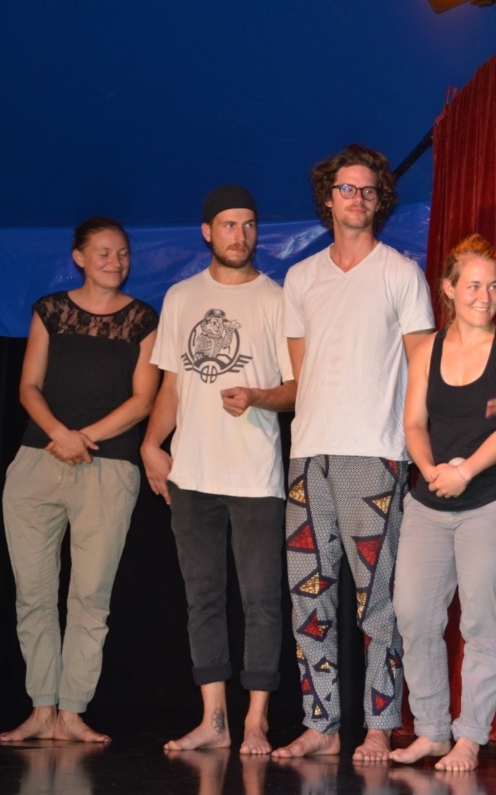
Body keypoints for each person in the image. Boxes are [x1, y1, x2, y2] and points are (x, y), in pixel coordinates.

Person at [271, 144, 435, 762]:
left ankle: (379, 724)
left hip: (375, 454)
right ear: (328, 198)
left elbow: (424, 367)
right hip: (309, 456)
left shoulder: (400, 273)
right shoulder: (301, 277)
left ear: (379, 200)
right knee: (308, 596)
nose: (357, 199)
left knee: (378, 599)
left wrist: (417, 447)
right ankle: (321, 723)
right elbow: (302, 372)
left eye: (368, 190)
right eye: (347, 189)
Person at [140, 184, 296, 754]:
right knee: (202, 597)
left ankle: (256, 719)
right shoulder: (181, 296)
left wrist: (257, 396)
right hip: (193, 475)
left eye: (249, 225)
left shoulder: (277, 299)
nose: (240, 235)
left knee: (261, 599)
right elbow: (171, 385)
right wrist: (151, 444)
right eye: (229, 225)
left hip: (255, 475)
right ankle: (214, 720)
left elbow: (296, 388)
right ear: (207, 232)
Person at [0, 217, 159, 743]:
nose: (116, 262)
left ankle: (72, 712)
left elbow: (143, 401)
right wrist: (58, 434)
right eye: (104, 253)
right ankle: (41, 708)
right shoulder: (50, 310)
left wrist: (82, 438)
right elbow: (28, 386)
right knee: (34, 595)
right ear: (79, 257)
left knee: (90, 597)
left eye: (123, 253)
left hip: (107, 468)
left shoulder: (143, 319)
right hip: (38, 461)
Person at [389, 234, 496, 772]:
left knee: (481, 625)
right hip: (430, 503)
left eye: (493, 286)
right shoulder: (427, 350)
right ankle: (431, 730)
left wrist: (465, 471)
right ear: (448, 289)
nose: (485, 296)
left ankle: (470, 736)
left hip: (493, 502)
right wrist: (432, 472)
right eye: (473, 285)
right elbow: (413, 423)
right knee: (414, 615)